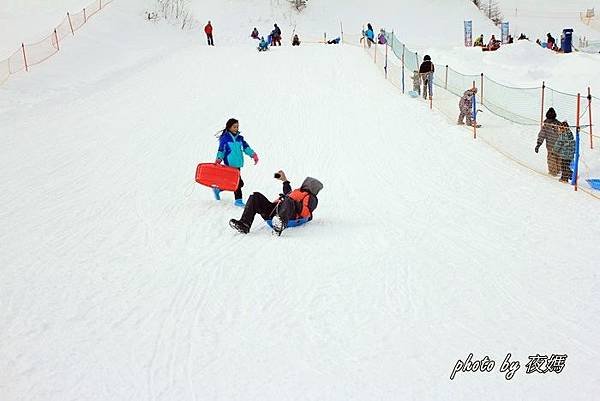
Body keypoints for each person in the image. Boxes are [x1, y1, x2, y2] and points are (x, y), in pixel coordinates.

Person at [229, 171, 322, 234]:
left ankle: (279, 224)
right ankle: (245, 224)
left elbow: (306, 213)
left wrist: (289, 200)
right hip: (274, 211)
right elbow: (288, 193)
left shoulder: (311, 197)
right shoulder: (298, 191)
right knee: (255, 196)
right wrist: (285, 181)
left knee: (288, 200)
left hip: (290, 216)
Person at [215, 118, 259, 207]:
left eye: (237, 126)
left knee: (239, 183)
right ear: (229, 127)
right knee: (237, 183)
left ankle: (219, 189)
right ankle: (238, 201)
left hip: (238, 164)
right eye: (234, 127)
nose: (236, 128)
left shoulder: (240, 138)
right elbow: (221, 150)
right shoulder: (225, 139)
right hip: (230, 164)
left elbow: (246, 148)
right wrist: (219, 159)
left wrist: (253, 155)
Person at [535, 107, 561, 176]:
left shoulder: (546, 125)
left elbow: (541, 135)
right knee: (558, 157)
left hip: (551, 145)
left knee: (552, 158)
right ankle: (557, 170)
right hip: (558, 145)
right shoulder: (558, 124)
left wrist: (538, 144)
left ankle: (553, 172)